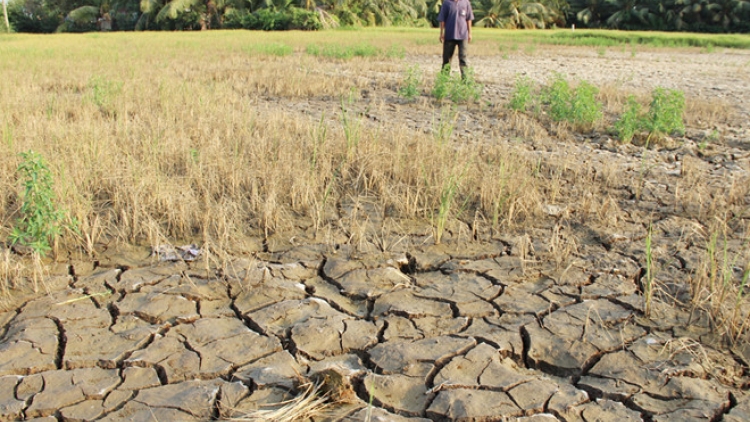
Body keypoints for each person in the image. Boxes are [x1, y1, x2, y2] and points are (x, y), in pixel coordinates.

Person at [438, 0, 474, 79]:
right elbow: (442, 19)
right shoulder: (446, 3)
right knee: (446, 59)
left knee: (463, 58)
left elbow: (469, 19)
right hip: (449, 35)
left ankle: (465, 80)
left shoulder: (466, 2)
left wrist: (470, 33)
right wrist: (441, 33)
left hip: (463, 35)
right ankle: (444, 79)